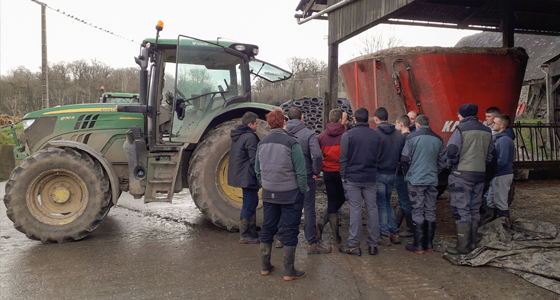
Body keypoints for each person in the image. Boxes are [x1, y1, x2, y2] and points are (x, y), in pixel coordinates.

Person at [255, 109, 307, 281]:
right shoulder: (292, 143)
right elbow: (301, 172)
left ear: (269, 124)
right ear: (284, 122)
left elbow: (257, 170)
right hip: (290, 194)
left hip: (270, 194)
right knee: (290, 230)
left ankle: (264, 266)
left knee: (268, 228)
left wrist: (267, 185)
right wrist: (301, 190)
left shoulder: (262, 143)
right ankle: (289, 271)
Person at [446, 103, 493, 255]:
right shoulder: (487, 130)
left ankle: (461, 247)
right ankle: (472, 244)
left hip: (462, 175)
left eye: (459, 114)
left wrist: (451, 164)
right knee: (474, 209)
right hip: (480, 175)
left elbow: (452, 151)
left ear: (462, 115)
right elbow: (491, 154)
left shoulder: (461, 129)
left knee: (461, 209)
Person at [286, 107, 331, 254]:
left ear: (288, 118)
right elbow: (317, 155)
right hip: (305, 176)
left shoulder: (283, 134)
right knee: (309, 208)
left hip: (287, 177)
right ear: (302, 117)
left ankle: (282, 239)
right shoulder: (308, 134)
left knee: (287, 207)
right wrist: (315, 172)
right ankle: (312, 242)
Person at [401, 115, 447, 254]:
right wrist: (434, 172)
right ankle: (429, 244)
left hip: (416, 180)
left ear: (418, 125)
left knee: (417, 209)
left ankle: (418, 245)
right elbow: (443, 162)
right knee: (430, 209)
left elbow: (404, 159)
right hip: (432, 179)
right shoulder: (438, 139)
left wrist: (408, 173)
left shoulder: (411, 138)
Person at [339, 107, 382, 256]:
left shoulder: (348, 135)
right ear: (368, 118)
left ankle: (353, 245)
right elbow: (378, 156)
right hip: (370, 177)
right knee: (372, 209)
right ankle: (373, 245)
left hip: (352, 178)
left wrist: (343, 175)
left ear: (355, 119)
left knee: (355, 210)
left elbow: (343, 158)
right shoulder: (376, 136)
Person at [373, 107, 405, 246]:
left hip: (379, 173)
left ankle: (384, 234)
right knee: (386, 203)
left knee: (381, 204)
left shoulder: (375, 135)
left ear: (376, 119)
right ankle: (394, 232)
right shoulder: (398, 135)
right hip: (392, 173)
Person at [228, 111, 261, 244]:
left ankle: (251, 232)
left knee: (251, 203)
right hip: (248, 176)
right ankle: (246, 234)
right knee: (249, 204)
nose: (257, 126)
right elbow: (254, 160)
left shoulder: (239, 136)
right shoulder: (250, 137)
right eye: (256, 124)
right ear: (250, 124)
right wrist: (259, 174)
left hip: (243, 175)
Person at [317, 109, 348, 244]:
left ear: (329, 119)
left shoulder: (322, 137)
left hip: (328, 172)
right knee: (341, 198)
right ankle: (335, 236)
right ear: (341, 120)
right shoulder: (346, 136)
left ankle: (322, 225)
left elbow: (318, 155)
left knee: (331, 200)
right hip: (341, 172)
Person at [482, 114, 515, 224]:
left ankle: (504, 225)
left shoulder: (504, 140)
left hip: (501, 174)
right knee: (491, 200)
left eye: (495, 123)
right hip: (499, 174)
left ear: (502, 126)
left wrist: (492, 170)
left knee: (500, 201)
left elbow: (503, 160)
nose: (492, 124)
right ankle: (490, 223)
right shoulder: (501, 139)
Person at [394, 114, 414, 237]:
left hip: (401, 173)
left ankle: (410, 228)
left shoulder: (401, 139)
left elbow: (400, 157)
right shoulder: (413, 137)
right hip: (411, 173)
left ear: (400, 124)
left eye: (396, 124)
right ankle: (395, 225)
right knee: (402, 200)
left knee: (405, 201)